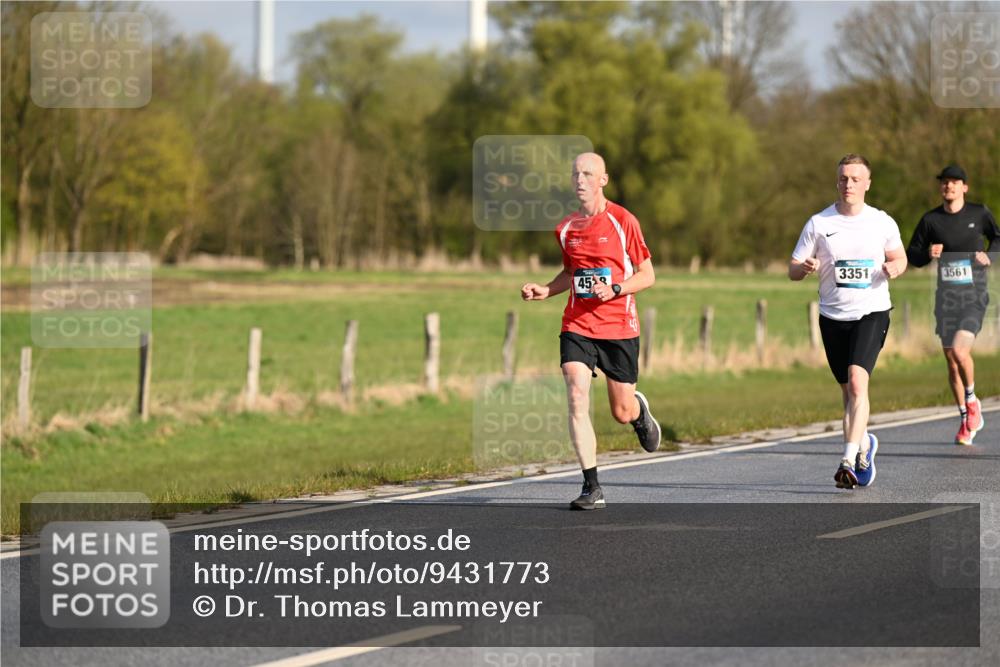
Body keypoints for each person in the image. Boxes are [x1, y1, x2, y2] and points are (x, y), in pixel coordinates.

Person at [521, 152, 661, 510]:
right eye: (575, 174)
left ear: (603, 180)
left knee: (621, 411)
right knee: (575, 394)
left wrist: (615, 289)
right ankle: (591, 486)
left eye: (587, 174)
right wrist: (545, 290)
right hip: (578, 324)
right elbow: (570, 274)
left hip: (618, 326)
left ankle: (638, 412)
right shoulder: (566, 228)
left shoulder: (623, 221)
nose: (580, 180)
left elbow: (647, 275)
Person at [789, 154, 907, 489]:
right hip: (832, 316)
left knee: (857, 383)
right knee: (848, 393)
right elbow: (792, 269)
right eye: (843, 178)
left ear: (867, 183)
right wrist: (805, 268)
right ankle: (865, 444)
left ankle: (848, 460)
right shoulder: (819, 223)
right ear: (836, 181)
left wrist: (895, 267)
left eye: (855, 179)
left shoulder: (882, 222)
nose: (848, 184)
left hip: (872, 311)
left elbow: (900, 257)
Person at [906, 165, 999, 445]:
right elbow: (912, 254)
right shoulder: (931, 220)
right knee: (951, 361)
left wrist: (990, 256)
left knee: (960, 351)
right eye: (945, 182)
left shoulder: (979, 214)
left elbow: (997, 237)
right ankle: (965, 420)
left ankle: (972, 401)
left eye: (954, 182)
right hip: (946, 300)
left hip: (974, 297)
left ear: (964, 187)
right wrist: (927, 253)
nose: (949, 186)